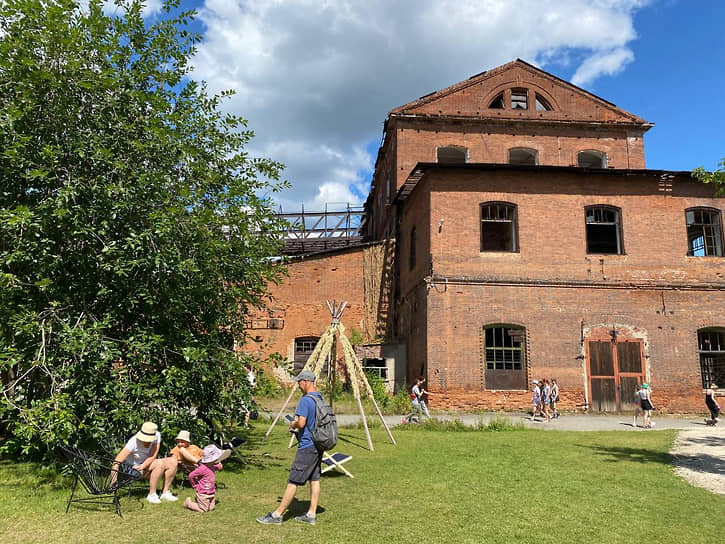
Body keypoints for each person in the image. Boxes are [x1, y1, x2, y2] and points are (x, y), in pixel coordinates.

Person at [257, 370, 323, 525]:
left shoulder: (306, 400)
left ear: (306, 381)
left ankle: (277, 515)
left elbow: (301, 423)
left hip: (307, 445)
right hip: (318, 444)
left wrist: (292, 423)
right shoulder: (320, 397)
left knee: (293, 480)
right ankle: (311, 514)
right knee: (314, 479)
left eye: (299, 382)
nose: (298, 385)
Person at [113, 421, 179, 503]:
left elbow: (153, 455)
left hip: (145, 463)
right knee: (159, 463)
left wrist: (143, 466)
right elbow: (117, 461)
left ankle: (165, 493)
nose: (148, 442)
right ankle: (152, 494)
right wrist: (113, 483)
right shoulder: (133, 442)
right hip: (133, 468)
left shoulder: (157, 435)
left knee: (173, 461)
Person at [184, 444, 231, 513]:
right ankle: (188, 503)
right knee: (204, 510)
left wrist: (220, 466)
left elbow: (217, 467)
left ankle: (199, 501)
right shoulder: (202, 468)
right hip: (203, 492)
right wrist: (195, 485)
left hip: (211, 492)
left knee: (211, 508)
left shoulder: (212, 465)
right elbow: (191, 476)